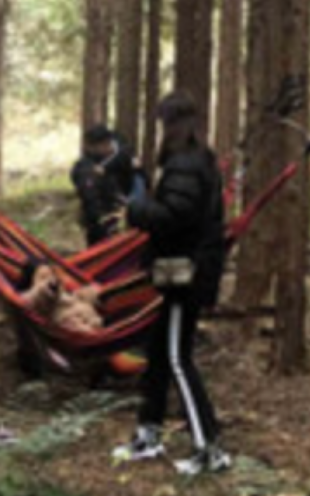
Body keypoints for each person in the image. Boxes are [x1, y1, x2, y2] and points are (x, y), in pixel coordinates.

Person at [111, 91, 230, 476]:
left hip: (185, 273)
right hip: (180, 269)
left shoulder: (186, 164)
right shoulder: (195, 162)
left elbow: (176, 215)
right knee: (160, 355)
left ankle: (209, 449)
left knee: (178, 358)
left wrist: (135, 210)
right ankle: (148, 433)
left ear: (172, 125)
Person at [71, 124, 144, 247]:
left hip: (120, 217)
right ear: (91, 147)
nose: (109, 147)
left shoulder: (114, 161)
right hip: (101, 222)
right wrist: (103, 221)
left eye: (109, 143)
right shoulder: (85, 168)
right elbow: (91, 198)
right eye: (104, 144)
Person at [18, 261, 103, 335]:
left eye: (51, 274)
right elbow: (37, 297)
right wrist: (50, 286)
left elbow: (74, 297)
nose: (49, 278)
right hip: (71, 326)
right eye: (43, 277)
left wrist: (88, 293)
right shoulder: (32, 295)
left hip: (90, 319)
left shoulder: (65, 292)